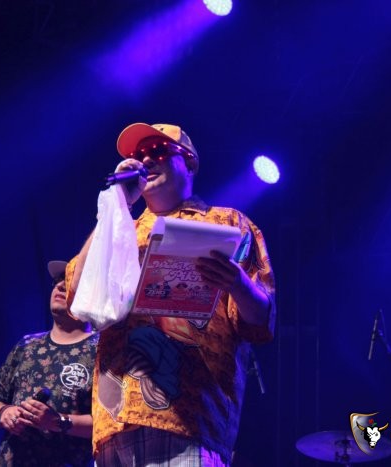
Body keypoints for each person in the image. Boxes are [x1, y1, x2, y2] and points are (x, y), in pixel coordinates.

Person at [67, 123, 276, 466]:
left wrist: (238, 284)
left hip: (187, 417)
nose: (147, 160)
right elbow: (77, 292)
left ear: (189, 162)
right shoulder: (121, 230)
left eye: (159, 151)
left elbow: (260, 323)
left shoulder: (227, 223)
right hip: (114, 421)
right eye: (139, 155)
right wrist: (116, 205)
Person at [0, 260, 97, 467]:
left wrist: (57, 421)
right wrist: (4, 412)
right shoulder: (27, 345)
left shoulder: (101, 349)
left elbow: (111, 422)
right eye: (57, 282)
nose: (59, 286)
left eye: (70, 282)